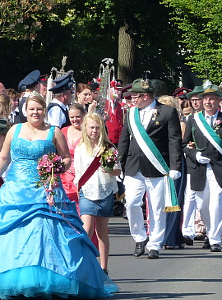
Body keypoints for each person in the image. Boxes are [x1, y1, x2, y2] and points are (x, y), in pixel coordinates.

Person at [0, 93, 117, 299]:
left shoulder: (54, 132)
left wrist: (55, 169)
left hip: (46, 190)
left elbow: (66, 158)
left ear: (44, 111)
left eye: (39, 109)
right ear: (25, 111)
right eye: (31, 109)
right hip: (15, 189)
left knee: (45, 233)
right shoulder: (15, 129)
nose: (35, 113)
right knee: (9, 233)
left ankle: (53, 276)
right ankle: (4, 276)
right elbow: (4, 157)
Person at [117, 77, 182, 259]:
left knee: (156, 208)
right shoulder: (130, 114)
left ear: (145, 96)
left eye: (134, 96)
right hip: (133, 166)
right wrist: (118, 165)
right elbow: (124, 140)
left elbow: (174, 141)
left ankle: (155, 244)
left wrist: (175, 166)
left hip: (157, 167)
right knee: (131, 203)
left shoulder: (167, 112)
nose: (132, 100)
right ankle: (139, 237)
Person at [182, 84, 222, 252]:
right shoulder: (193, 119)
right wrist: (194, 155)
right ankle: (209, 231)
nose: (208, 102)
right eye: (205, 99)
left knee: (216, 203)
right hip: (198, 169)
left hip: (219, 168)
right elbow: (184, 144)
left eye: (212, 99)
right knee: (202, 206)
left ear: (218, 101)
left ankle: (215, 239)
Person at [74, 113, 121, 273]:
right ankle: (85, 264)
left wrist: (109, 169)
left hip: (105, 191)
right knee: (86, 229)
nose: (94, 131)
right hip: (87, 191)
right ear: (85, 128)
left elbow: (117, 171)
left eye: (97, 127)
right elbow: (78, 172)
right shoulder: (80, 148)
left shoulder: (109, 148)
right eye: (91, 127)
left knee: (102, 232)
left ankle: (103, 267)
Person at [61, 103, 86, 207]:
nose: (75, 119)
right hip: (65, 174)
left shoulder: (88, 132)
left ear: (84, 115)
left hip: (83, 172)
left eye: (78, 116)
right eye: (72, 117)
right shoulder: (63, 131)